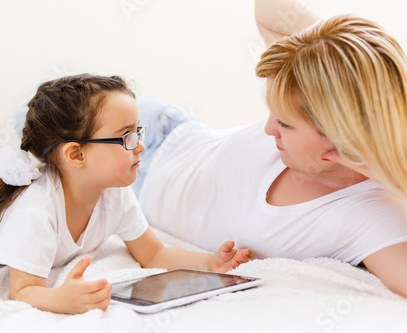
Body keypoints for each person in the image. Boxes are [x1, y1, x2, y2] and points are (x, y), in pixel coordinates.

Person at [0, 74, 253, 315]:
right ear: (76, 155)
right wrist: (61, 299)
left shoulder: (114, 193)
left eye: (138, 131)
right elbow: (23, 291)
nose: (141, 146)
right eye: (126, 136)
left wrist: (208, 263)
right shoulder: (36, 214)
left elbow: (153, 253)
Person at [133, 0, 407, 298]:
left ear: (341, 138)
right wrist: (339, 56)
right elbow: (270, 7)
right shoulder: (314, 72)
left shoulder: (368, 216)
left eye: (285, 125)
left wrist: (388, 166)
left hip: (130, 193)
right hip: (154, 130)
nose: (268, 130)